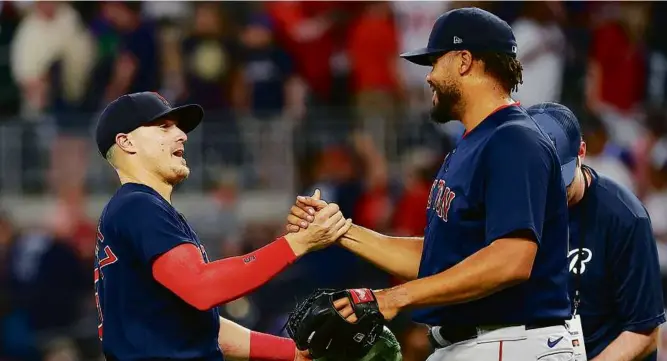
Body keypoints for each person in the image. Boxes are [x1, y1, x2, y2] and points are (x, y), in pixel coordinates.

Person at [287, 7, 574, 361]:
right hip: (476, 343)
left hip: (511, 342)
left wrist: (395, 297)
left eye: (435, 62)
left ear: (465, 61)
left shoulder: (513, 140)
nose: (428, 77)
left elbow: (512, 260)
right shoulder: (475, 142)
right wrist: (339, 231)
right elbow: (439, 258)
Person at [93, 92, 351, 361]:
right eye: (164, 126)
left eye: (178, 127)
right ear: (126, 142)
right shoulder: (138, 206)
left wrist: (295, 354)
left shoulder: (133, 210)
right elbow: (203, 287)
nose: (182, 135)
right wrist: (297, 243)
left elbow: (202, 329)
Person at [527, 102, 666, 361]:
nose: (551, 196)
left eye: (561, 183)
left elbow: (644, 332)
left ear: (582, 151)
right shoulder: (515, 205)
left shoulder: (625, 216)